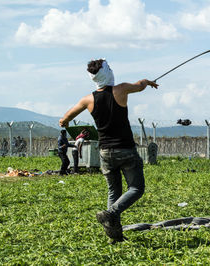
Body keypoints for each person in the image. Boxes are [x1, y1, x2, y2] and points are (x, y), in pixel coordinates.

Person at [59, 59, 158, 243]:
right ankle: (110, 213)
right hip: (125, 149)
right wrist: (148, 81)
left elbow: (67, 116)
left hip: (105, 152)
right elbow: (140, 85)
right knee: (136, 188)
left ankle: (115, 237)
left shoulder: (87, 99)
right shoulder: (120, 89)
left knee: (114, 192)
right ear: (107, 73)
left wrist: (64, 122)